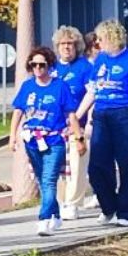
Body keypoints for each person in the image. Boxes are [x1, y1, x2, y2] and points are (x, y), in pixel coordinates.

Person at [73, 19, 128, 227]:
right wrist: (76, 116)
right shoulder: (101, 59)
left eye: (101, 39)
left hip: (124, 114)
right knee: (97, 165)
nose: (97, 43)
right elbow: (93, 91)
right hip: (102, 114)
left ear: (112, 38)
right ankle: (109, 206)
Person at [9, 47, 85, 236]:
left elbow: (71, 114)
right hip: (32, 140)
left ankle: (44, 219)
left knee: (49, 179)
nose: (38, 69)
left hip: (54, 139)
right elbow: (18, 111)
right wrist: (12, 136)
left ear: (49, 66)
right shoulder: (27, 86)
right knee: (42, 180)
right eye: (34, 65)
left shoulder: (60, 86)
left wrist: (79, 138)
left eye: (42, 65)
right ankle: (55, 214)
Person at [51, 26, 93, 221]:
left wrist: (81, 118)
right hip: (55, 127)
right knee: (59, 168)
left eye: (70, 44)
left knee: (76, 165)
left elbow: (92, 94)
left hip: (78, 126)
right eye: (63, 44)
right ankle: (61, 200)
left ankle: (73, 203)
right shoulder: (52, 68)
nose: (66, 47)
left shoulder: (84, 67)